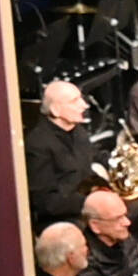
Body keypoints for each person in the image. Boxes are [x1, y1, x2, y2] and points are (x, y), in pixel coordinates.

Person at [27, 79, 99, 225]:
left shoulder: (79, 132)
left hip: (88, 208)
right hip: (64, 220)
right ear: (55, 110)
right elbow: (46, 203)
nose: (84, 105)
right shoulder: (37, 144)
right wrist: (89, 202)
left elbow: (94, 157)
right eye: (75, 101)